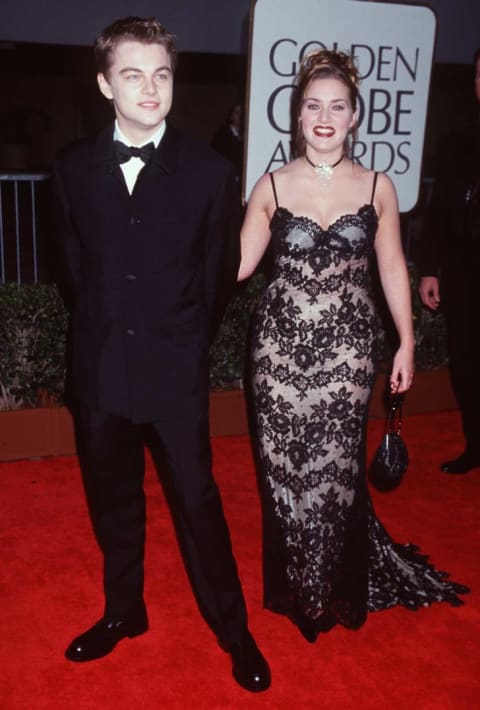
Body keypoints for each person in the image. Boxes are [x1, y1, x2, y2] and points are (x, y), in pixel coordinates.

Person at [52, 17, 270, 693]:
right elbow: (73, 273)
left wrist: (180, 347)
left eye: (162, 74)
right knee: (113, 502)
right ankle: (125, 613)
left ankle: (233, 631)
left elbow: (216, 282)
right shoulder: (71, 170)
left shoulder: (210, 173)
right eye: (133, 74)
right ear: (103, 83)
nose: (150, 88)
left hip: (175, 372)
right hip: (101, 371)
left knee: (199, 503)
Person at [239, 49, 468, 642]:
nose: (324, 116)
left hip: (347, 348)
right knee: (283, 468)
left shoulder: (376, 185)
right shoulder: (270, 185)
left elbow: (392, 265)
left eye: (337, 106)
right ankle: (297, 585)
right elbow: (238, 265)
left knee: (335, 465)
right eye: (313, 105)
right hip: (277, 350)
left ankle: (330, 589)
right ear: (296, 115)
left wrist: (407, 341)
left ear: (355, 116)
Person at [419, 48, 480, 475]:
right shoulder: (457, 141)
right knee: (465, 365)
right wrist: (428, 267)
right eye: (479, 76)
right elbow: (439, 210)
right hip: (463, 270)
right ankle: (476, 446)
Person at [211, 102, 244, 186]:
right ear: (231, 115)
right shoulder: (223, 135)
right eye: (237, 113)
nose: (239, 116)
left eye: (242, 113)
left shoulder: (244, 135)